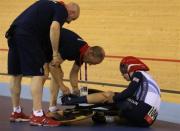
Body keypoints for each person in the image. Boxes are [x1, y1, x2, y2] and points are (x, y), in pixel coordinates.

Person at [6, 0, 80, 127]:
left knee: (16, 74)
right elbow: (55, 27)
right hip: (28, 35)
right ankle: (38, 115)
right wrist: (55, 53)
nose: (68, 22)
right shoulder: (61, 9)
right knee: (38, 75)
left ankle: (16, 112)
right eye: (71, 19)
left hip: (14, 32)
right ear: (71, 11)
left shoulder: (49, 5)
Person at [61, 56, 161, 127]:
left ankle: (71, 100)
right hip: (147, 122)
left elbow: (129, 92)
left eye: (123, 72)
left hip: (140, 111)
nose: (123, 75)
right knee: (120, 100)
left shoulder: (138, 73)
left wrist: (112, 98)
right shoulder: (148, 78)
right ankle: (107, 118)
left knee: (108, 95)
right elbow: (129, 97)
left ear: (131, 67)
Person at [45, 28, 105, 117]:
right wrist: (62, 87)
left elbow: (74, 72)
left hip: (51, 45)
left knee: (59, 74)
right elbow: (52, 65)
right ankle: (37, 112)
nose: (91, 65)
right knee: (43, 75)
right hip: (43, 41)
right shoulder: (73, 48)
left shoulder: (83, 53)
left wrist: (75, 88)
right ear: (90, 53)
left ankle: (52, 107)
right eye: (93, 62)